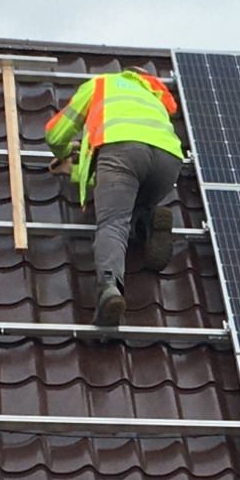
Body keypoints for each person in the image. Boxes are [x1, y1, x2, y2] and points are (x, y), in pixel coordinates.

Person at [43, 68, 185, 327]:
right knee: (134, 202)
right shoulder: (153, 96)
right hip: (169, 160)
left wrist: (64, 156)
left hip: (122, 151)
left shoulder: (101, 84)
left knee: (114, 222)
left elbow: (55, 133)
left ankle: (109, 289)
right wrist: (78, 168)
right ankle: (150, 218)